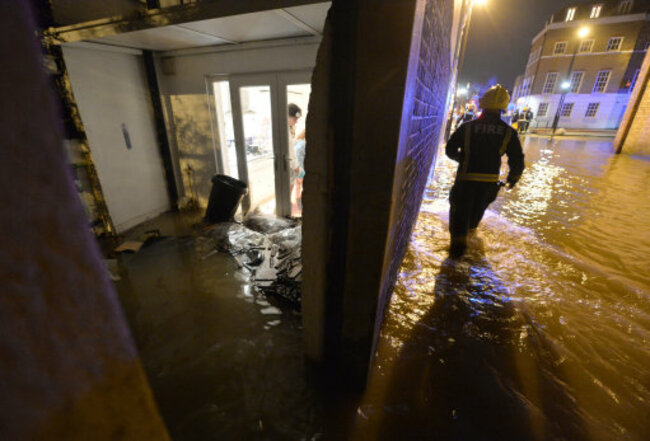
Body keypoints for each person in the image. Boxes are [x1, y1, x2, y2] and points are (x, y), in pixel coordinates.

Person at [445, 84, 525, 258]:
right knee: (473, 222)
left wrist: (463, 159)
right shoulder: (509, 132)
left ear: (483, 104)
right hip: (488, 186)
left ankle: (453, 265)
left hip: (465, 183)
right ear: (504, 107)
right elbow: (517, 160)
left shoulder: (466, 127)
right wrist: (513, 178)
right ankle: (472, 261)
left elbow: (450, 150)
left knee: (459, 224)